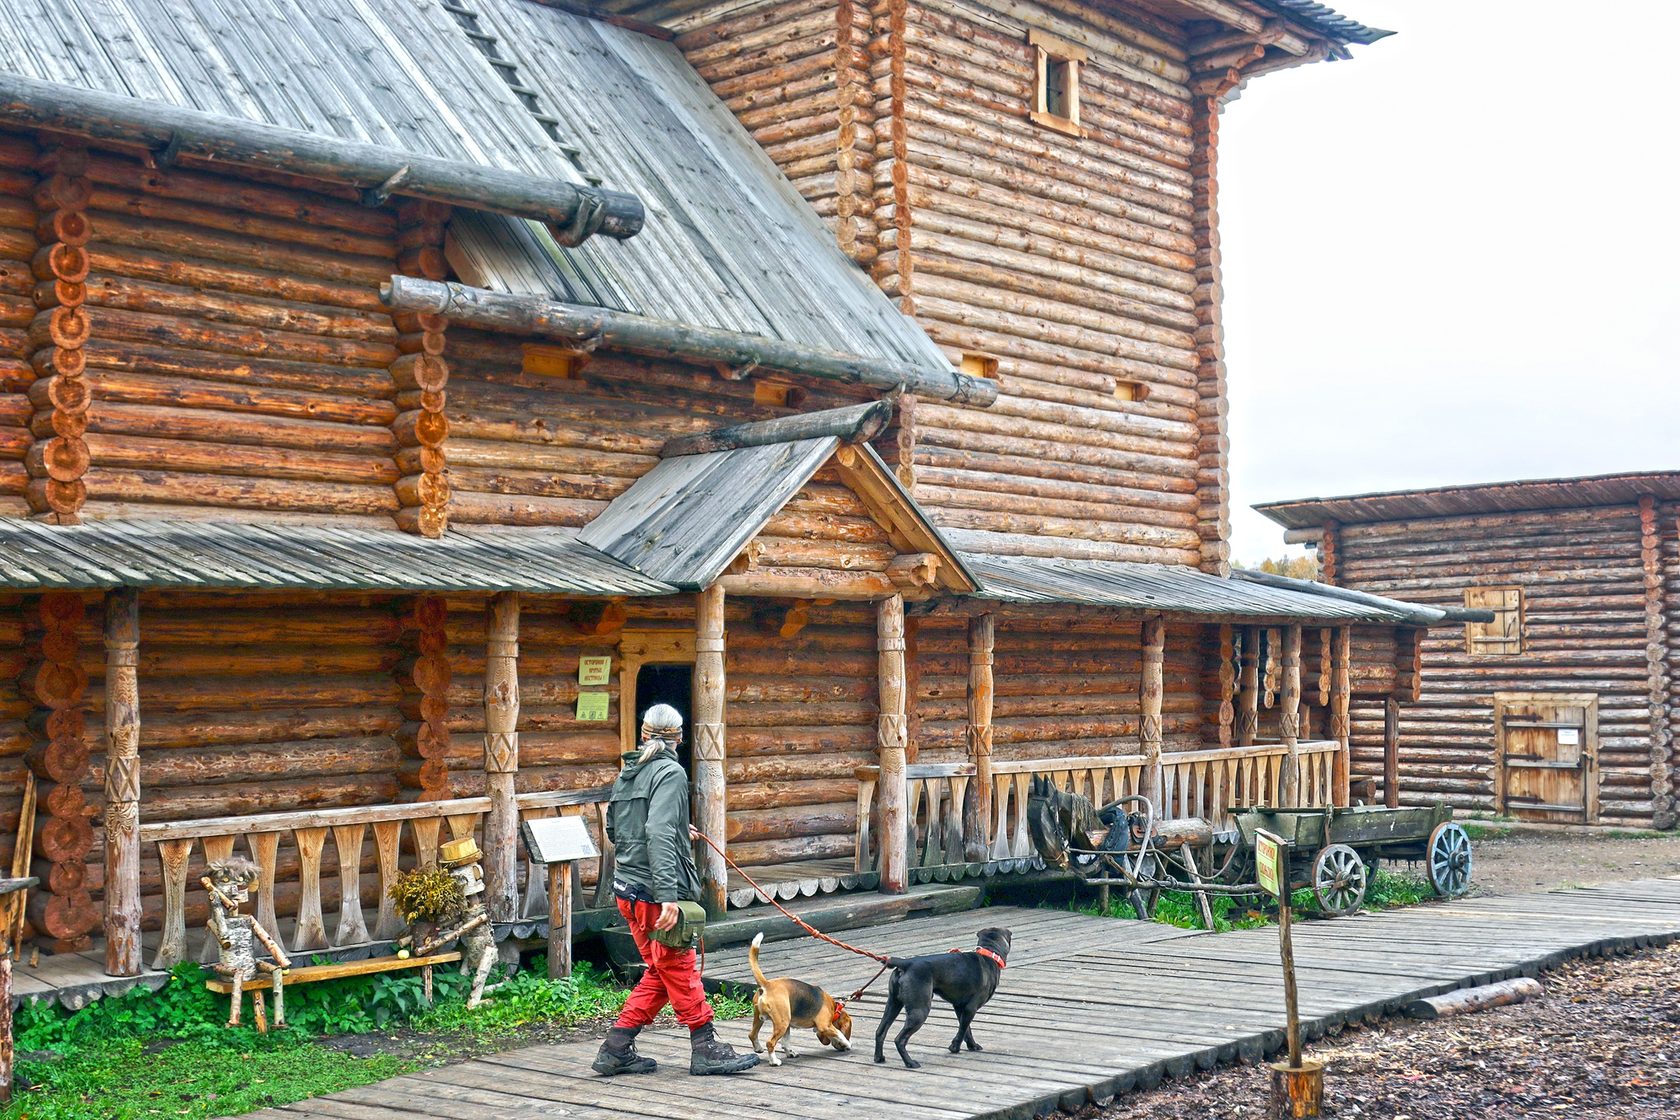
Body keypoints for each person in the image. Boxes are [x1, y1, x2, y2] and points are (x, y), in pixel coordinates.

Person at [592, 703, 758, 1077]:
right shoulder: (670, 771)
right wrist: (668, 894)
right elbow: (658, 831)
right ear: (679, 737)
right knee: (680, 966)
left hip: (627, 890)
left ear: (644, 733)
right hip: (654, 895)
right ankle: (706, 1046)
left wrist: (679, 831)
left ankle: (616, 1048)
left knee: (659, 970)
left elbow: (617, 832)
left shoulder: (629, 770)